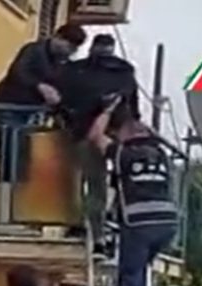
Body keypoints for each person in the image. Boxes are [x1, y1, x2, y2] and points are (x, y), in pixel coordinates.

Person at [87, 97, 180, 286]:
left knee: (129, 275)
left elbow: (95, 136)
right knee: (141, 273)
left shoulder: (122, 153)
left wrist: (106, 110)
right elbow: (151, 135)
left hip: (139, 223)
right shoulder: (161, 155)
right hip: (167, 224)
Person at [0, 24, 87, 219]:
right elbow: (18, 72)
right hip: (9, 109)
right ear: (57, 37)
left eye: (74, 49)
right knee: (10, 161)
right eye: (68, 45)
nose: (69, 51)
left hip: (31, 116)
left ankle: (16, 216)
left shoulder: (62, 63)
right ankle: (1, 217)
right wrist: (40, 86)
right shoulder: (33, 51)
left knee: (24, 166)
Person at [57, 34, 140, 248]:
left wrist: (69, 121)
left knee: (89, 182)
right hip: (117, 134)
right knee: (111, 183)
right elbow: (133, 106)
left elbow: (65, 102)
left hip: (85, 133)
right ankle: (104, 228)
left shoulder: (77, 71)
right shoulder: (124, 71)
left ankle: (87, 228)